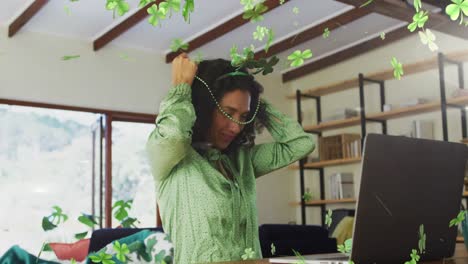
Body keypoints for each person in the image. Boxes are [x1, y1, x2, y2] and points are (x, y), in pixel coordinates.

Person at [146, 53, 315, 263]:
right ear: (204, 108)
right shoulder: (172, 159)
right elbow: (174, 136)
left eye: (244, 117)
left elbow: (300, 144)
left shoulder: (243, 161)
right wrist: (182, 88)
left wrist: (254, 100)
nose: (236, 127)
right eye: (228, 112)